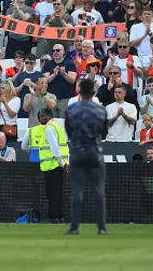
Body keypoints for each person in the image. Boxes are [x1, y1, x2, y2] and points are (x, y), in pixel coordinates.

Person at [64, 79, 109, 235]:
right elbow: (104, 133)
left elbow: (68, 131)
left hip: (77, 151)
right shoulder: (101, 110)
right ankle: (101, 228)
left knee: (77, 190)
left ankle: (74, 227)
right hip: (95, 151)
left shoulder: (71, 109)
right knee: (98, 190)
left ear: (79, 91)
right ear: (93, 92)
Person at [22, 108, 69, 223]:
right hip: (59, 164)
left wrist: (62, 163)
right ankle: (60, 216)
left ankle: (53, 217)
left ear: (49, 116)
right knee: (58, 193)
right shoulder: (59, 128)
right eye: (39, 117)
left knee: (52, 193)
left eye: (43, 116)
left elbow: (55, 148)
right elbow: (65, 147)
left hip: (51, 165)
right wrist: (65, 163)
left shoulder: (49, 129)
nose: (40, 119)